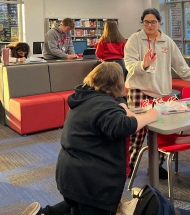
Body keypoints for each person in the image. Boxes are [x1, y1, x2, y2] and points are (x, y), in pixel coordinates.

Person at [21, 62, 159, 215]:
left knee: (78, 205)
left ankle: (44, 213)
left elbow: (116, 103)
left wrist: (122, 104)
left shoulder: (87, 98)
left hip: (72, 175)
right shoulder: (103, 106)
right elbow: (123, 126)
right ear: (117, 83)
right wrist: (150, 115)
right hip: (89, 181)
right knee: (90, 208)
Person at [124, 8, 190, 178]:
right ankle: (130, 166)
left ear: (160, 22)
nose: (150, 25)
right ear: (142, 23)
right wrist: (143, 64)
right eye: (146, 22)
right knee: (137, 132)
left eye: (153, 21)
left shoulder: (167, 42)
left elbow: (181, 66)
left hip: (161, 94)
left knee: (161, 131)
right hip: (139, 90)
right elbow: (129, 65)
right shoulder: (134, 39)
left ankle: (156, 166)